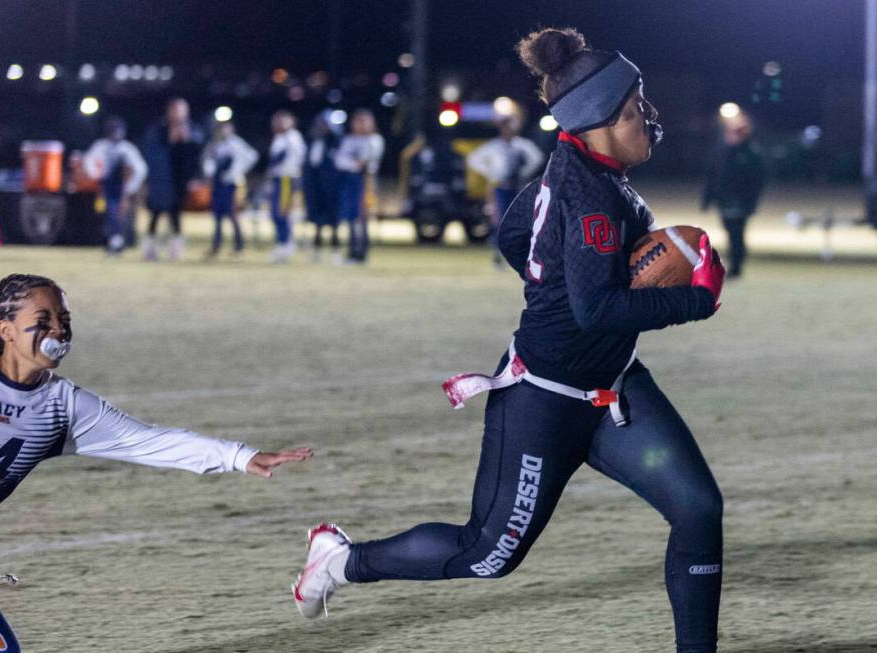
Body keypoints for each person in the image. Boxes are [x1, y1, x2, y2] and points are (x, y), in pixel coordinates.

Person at [292, 27, 726, 653]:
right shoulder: (596, 200)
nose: (646, 118)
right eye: (633, 110)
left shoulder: (578, 166)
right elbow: (598, 307)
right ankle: (340, 561)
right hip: (545, 403)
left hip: (611, 389)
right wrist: (695, 298)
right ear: (597, 122)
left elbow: (514, 233)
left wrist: (548, 277)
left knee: (697, 509)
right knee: (488, 554)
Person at [0, 273, 312, 651]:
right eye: (44, 318)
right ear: (5, 330)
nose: (58, 329)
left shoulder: (62, 406)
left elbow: (146, 441)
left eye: (63, 318)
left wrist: (238, 456)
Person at [466, 111, 543, 266]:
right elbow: (473, 158)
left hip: (518, 187)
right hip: (499, 187)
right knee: (498, 220)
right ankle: (498, 255)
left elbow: (537, 158)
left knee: (522, 220)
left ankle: (523, 253)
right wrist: (490, 173)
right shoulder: (494, 146)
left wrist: (524, 173)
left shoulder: (521, 145)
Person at [701, 110, 764, 278]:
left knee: (737, 234)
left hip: (741, 202)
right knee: (730, 231)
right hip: (724, 201)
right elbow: (712, 176)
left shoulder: (750, 153)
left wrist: (751, 202)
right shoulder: (721, 152)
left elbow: (757, 181)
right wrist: (707, 199)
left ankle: (737, 265)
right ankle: (734, 262)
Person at [141, 98, 204, 261]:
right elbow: (151, 150)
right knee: (155, 213)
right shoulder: (159, 129)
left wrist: (187, 139)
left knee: (175, 213)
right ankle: (150, 248)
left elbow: (197, 153)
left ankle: (175, 248)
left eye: (182, 110)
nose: (178, 114)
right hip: (161, 180)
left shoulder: (192, 129)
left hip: (179, 181)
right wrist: (170, 139)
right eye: (175, 110)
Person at [83, 116, 148, 255]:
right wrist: (95, 175)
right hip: (107, 184)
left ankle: (119, 241)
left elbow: (140, 168)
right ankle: (114, 241)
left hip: (123, 187)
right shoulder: (101, 146)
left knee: (121, 214)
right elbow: (89, 160)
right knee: (109, 213)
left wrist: (131, 187)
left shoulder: (127, 149)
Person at [200, 120, 258, 258]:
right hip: (217, 184)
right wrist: (209, 174)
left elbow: (252, 156)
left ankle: (238, 245)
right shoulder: (214, 144)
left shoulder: (235, 143)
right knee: (217, 215)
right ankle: (216, 245)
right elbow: (207, 161)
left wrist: (236, 171)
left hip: (231, 184)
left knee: (232, 214)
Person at [333, 109, 384, 264]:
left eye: (364, 121)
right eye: (357, 121)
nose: (360, 125)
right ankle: (352, 252)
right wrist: (353, 164)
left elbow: (365, 161)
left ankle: (361, 252)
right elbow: (339, 161)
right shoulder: (349, 140)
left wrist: (353, 163)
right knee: (351, 216)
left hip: (365, 180)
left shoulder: (374, 139)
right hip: (349, 181)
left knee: (362, 217)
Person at [265, 110, 305, 263]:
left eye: (283, 120)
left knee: (282, 212)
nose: (279, 124)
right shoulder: (279, 137)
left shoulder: (293, 137)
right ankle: (282, 243)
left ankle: (286, 244)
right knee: (275, 213)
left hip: (287, 179)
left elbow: (296, 158)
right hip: (278, 179)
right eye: (276, 121)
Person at [302, 112, 342, 261]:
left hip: (331, 185)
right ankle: (316, 249)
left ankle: (336, 249)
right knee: (317, 218)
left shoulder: (335, 140)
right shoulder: (312, 140)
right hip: (315, 184)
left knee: (332, 218)